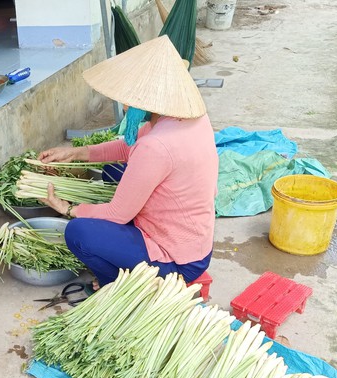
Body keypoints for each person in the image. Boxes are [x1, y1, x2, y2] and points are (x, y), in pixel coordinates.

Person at [38, 35, 218, 288]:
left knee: (78, 232)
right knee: (113, 170)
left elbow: (116, 214)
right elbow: (127, 147)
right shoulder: (188, 118)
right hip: (195, 241)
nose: (125, 103)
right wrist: (76, 153)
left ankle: (117, 284)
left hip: (178, 263)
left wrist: (68, 209)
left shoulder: (156, 146)